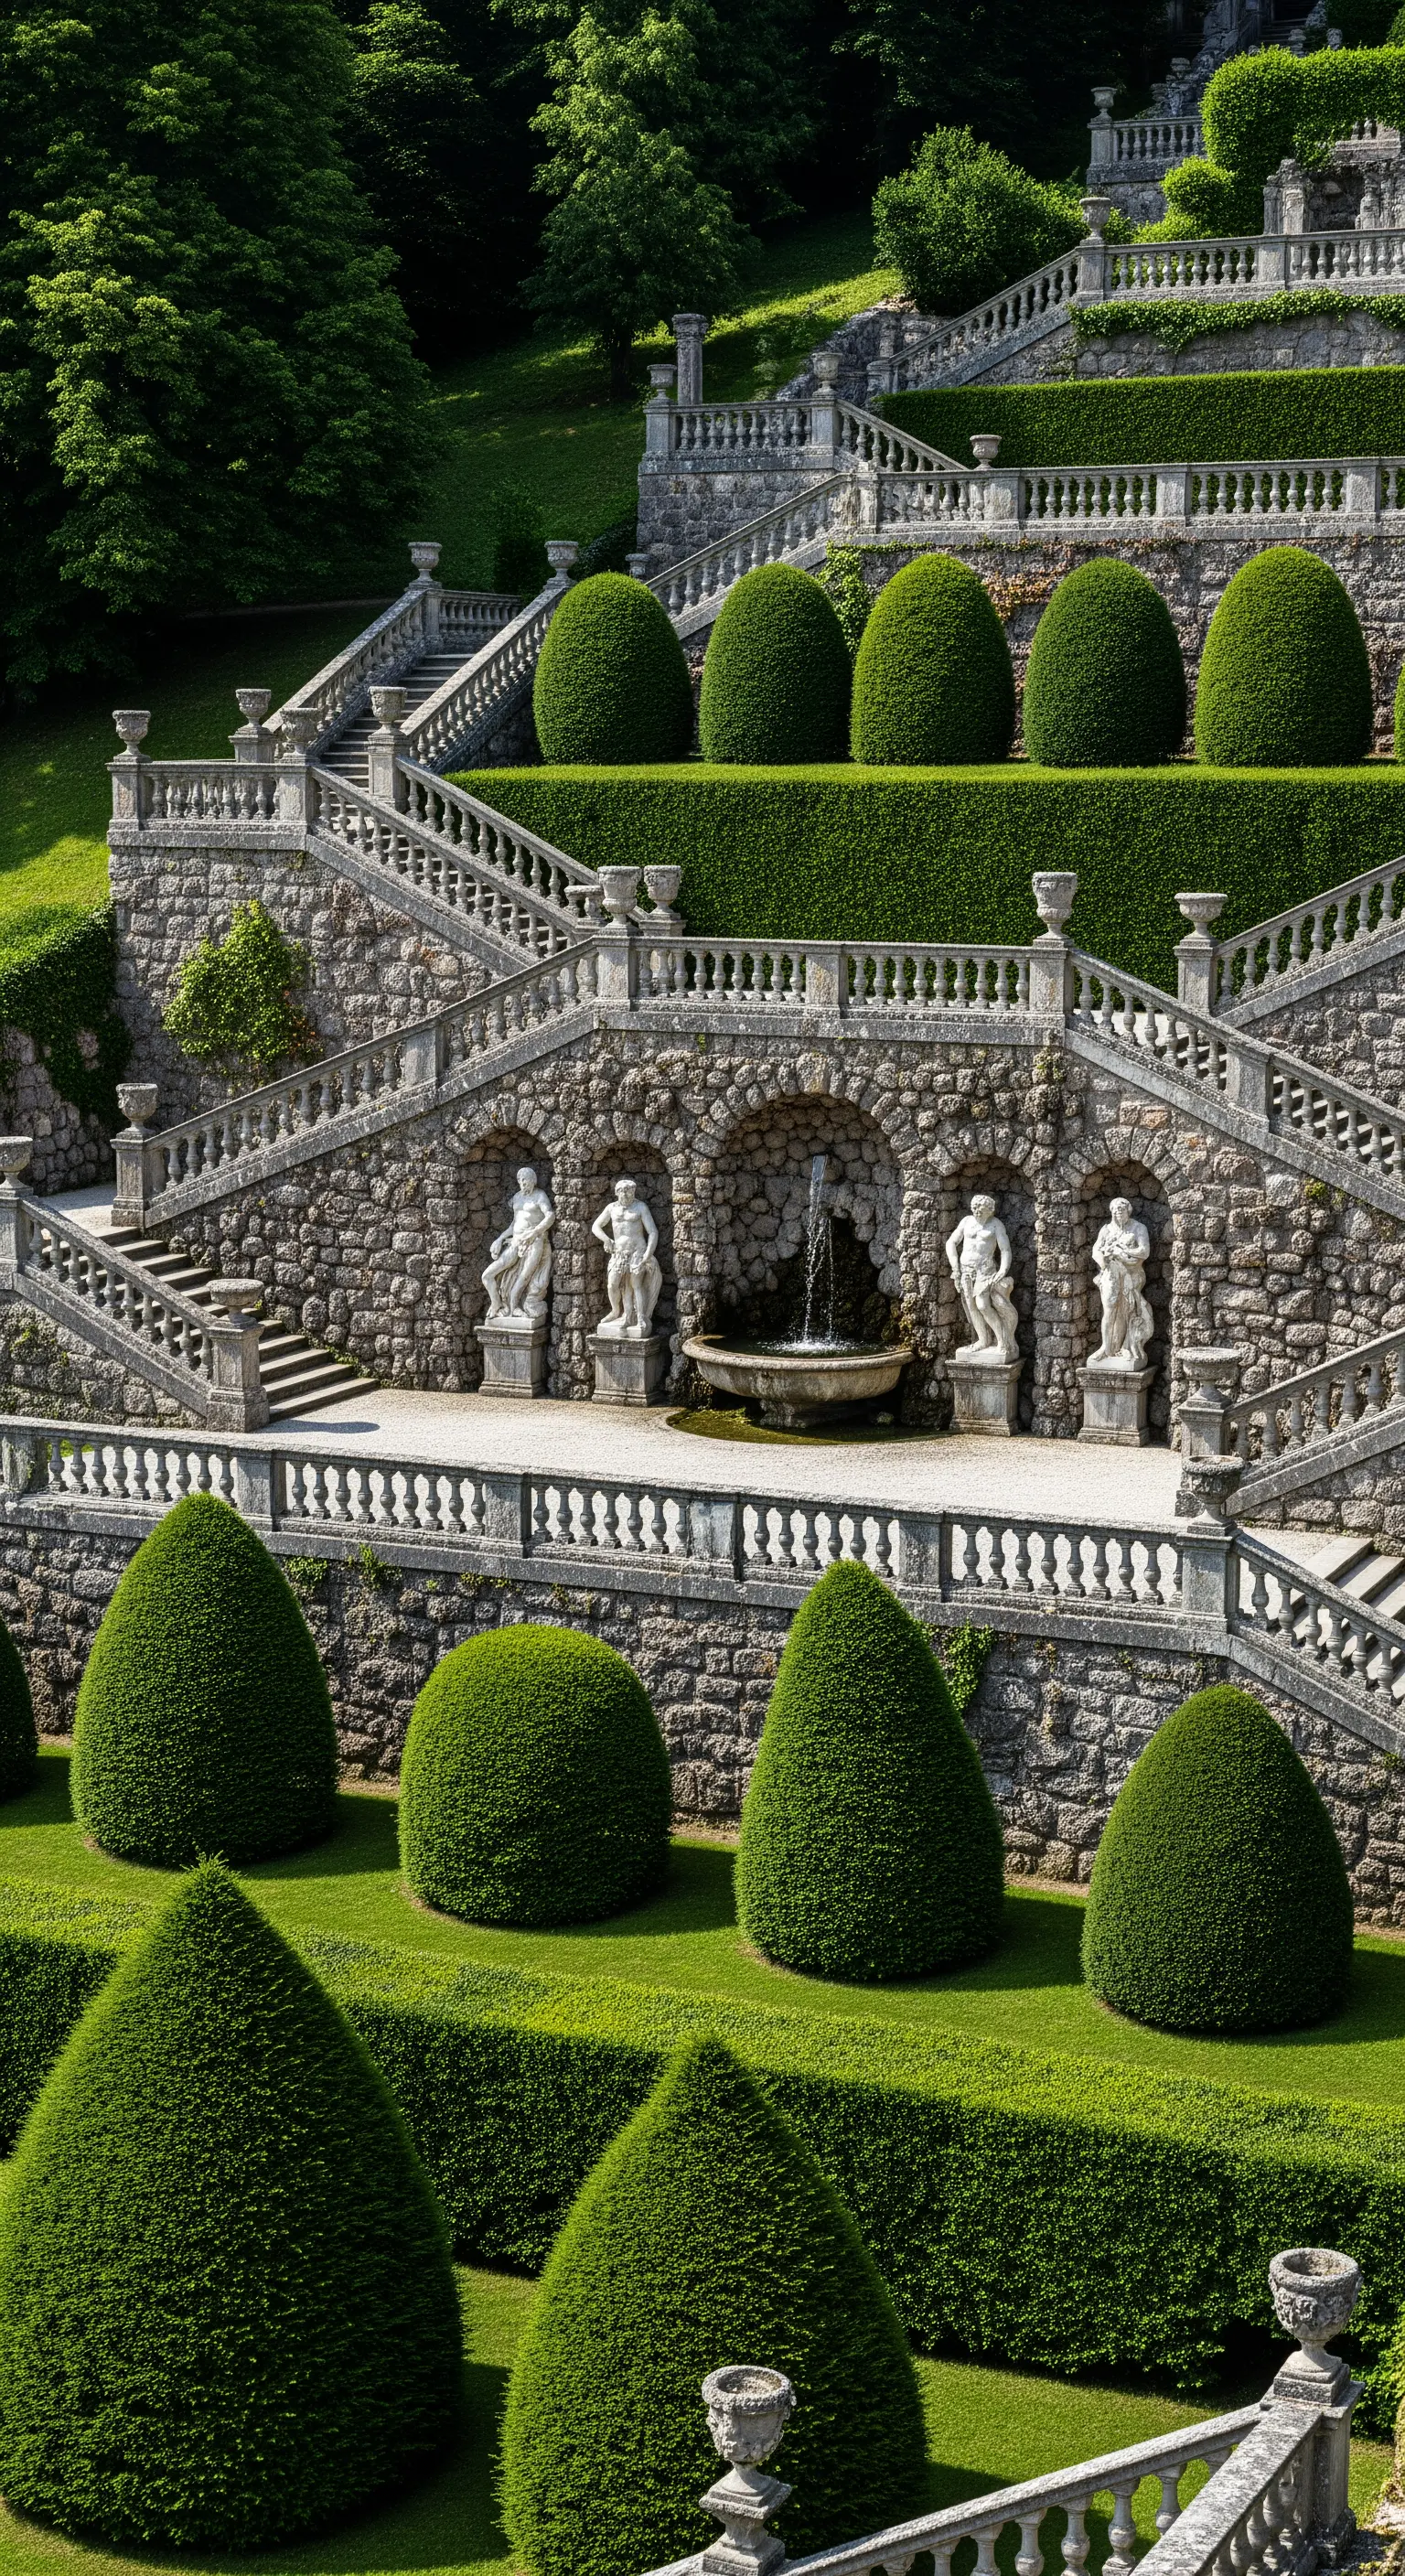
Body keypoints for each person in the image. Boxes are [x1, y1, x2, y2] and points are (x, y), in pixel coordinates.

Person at [944, 1193, 1019, 1363]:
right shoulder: (966, 1222)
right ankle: (983, 1340)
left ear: (990, 1210)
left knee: (983, 1305)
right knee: (971, 1306)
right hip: (965, 1270)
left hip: (985, 1271)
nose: (977, 1211)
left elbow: (1005, 1250)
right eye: (975, 1207)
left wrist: (1002, 1270)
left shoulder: (996, 1225)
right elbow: (951, 1243)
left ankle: (1002, 1340)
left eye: (981, 1209)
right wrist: (955, 1268)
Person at [481, 1165, 555, 1325]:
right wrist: (499, 1239)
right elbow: (514, 1224)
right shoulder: (517, 1197)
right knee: (487, 1275)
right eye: (520, 1180)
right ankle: (497, 1304)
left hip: (535, 1241)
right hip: (515, 1241)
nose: (523, 1182)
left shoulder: (540, 1196)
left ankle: (514, 1308)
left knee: (524, 1277)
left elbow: (550, 1216)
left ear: (533, 1181)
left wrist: (534, 1232)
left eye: (526, 1179)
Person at [592, 1178, 662, 1339]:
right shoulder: (611, 1208)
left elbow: (652, 1232)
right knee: (612, 1284)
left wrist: (648, 1254)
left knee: (636, 1285)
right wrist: (606, 1239)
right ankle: (616, 1311)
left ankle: (640, 1319)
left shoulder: (640, 1207)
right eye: (622, 1191)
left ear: (634, 1192)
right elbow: (596, 1226)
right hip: (619, 1254)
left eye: (629, 1190)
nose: (626, 1193)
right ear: (616, 1192)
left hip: (638, 1252)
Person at [1090, 1197, 1153, 1372]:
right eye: (1116, 1211)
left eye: (1122, 1210)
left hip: (1132, 1275)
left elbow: (1144, 1251)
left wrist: (1122, 1250)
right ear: (1111, 1212)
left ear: (1129, 1211)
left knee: (1129, 1308)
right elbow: (1096, 1250)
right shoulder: (1106, 1229)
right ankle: (1107, 1347)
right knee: (1109, 1308)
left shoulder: (1139, 1228)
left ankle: (1127, 1346)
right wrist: (1103, 1259)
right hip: (1110, 1273)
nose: (1119, 1214)